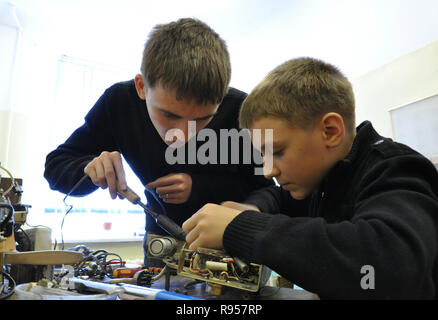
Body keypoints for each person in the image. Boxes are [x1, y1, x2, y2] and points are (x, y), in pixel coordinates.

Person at [182, 57, 438, 299]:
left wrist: (240, 227)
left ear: (330, 131)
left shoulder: (397, 168)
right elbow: (276, 196)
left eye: (277, 151)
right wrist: (251, 208)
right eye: (262, 155)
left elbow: (387, 267)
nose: (268, 170)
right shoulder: (320, 180)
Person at [44, 18, 273, 266]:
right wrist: (88, 169)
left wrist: (201, 188)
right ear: (142, 87)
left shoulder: (243, 111)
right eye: (170, 115)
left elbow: (271, 192)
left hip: (232, 251)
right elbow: (55, 167)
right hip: (161, 249)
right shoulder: (119, 104)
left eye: (203, 119)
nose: (182, 136)